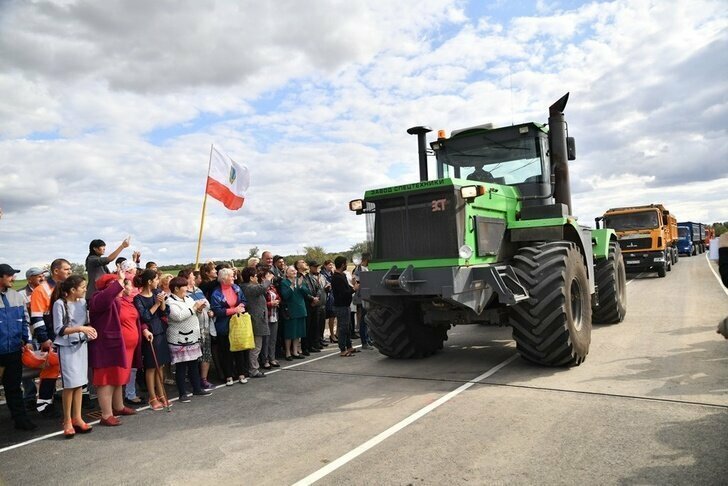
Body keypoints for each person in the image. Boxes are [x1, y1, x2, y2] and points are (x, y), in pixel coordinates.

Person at [89, 272, 138, 426]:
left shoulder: (116, 299)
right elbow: (105, 299)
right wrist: (119, 282)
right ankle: (106, 414)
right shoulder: (98, 298)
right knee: (105, 381)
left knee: (117, 378)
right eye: (117, 284)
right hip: (104, 346)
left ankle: (118, 406)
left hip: (114, 344)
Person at [51, 275, 97, 437]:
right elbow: (59, 329)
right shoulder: (59, 304)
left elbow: (86, 323)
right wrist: (81, 329)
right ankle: (67, 420)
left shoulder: (83, 303)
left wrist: (89, 329)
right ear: (72, 290)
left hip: (81, 346)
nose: (85, 289)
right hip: (67, 348)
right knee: (70, 385)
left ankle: (77, 418)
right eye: (82, 287)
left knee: (79, 384)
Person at [29, 258, 72, 415]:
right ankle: (44, 404)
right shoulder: (42, 290)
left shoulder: (65, 287)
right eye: (66, 269)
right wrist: (44, 339)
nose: (69, 272)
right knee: (51, 369)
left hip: (63, 334)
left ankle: (54, 398)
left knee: (61, 368)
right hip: (51, 336)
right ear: (56, 271)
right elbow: (37, 317)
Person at [0, 263, 37, 431]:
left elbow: (24, 320)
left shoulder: (17, 296)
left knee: (14, 388)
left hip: (14, 351)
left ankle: (21, 420)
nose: (13, 278)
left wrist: (27, 340)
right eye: (9, 275)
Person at [166, 277, 212, 401]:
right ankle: (182, 393)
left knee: (193, 364)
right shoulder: (169, 301)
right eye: (184, 286)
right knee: (181, 367)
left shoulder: (188, 298)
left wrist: (199, 309)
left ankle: (197, 389)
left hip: (193, 336)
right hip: (179, 338)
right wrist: (194, 308)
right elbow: (178, 316)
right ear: (176, 288)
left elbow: (194, 313)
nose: (187, 288)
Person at [133, 269, 171, 411]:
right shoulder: (138, 298)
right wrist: (156, 304)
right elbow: (145, 317)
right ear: (149, 281)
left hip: (160, 330)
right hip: (149, 333)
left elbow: (164, 313)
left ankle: (161, 394)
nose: (157, 282)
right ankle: (152, 397)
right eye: (156, 279)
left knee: (160, 365)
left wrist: (162, 303)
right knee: (150, 367)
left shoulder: (156, 293)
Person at [210, 268, 248, 386]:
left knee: (240, 350)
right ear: (224, 278)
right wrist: (233, 310)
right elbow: (217, 310)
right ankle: (229, 376)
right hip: (224, 326)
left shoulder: (237, 288)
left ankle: (241, 373)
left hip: (237, 325)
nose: (234, 278)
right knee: (226, 351)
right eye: (231, 276)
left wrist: (241, 305)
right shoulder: (216, 293)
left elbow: (244, 300)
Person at [182, 269, 215, 389]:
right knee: (195, 356)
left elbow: (208, 305)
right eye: (191, 276)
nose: (194, 278)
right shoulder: (184, 294)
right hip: (194, 328)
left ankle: (204, 379)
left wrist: (210, 311)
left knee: (206, 354)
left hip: (206, 327)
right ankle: (194, 379)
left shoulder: (199, 290)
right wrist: (198, 309)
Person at [240, 266, 273, 377]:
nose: (257, 278)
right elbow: (262, 288)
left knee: (256, 347)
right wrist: (267, 279)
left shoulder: (247, 286)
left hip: (257, 320)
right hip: (256, 320)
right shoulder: (247, 287)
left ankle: (253, 368)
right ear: (250, 278)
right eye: (255, 276)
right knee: (255, 347)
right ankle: (253, 370)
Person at [20, 267, 46, 408]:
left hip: (42, 334)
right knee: (29, 366)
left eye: (42, 275)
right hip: (31, 334)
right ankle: (30, 397)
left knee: (45, 365)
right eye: (38, 276)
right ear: (29, 278)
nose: (41, 278)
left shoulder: (46, 291)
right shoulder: (22, 294)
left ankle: (47, 395)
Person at [118, 278, 146, 406]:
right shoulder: (117, 302)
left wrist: (144, 329)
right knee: (122, 370)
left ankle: (130, 393)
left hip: (134, 341)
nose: (133, 289)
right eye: (130, 286)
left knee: (133, 368)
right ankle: (120, 399)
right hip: (123, 343)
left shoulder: (130, 301)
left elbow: (138, 319)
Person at [279, 265, 310, 360]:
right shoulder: (284, 282)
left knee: (298, 332)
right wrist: (292, 285)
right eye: (292, 271)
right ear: (287, 274)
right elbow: (285, 295)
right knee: (290, 333)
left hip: (300, 309)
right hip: (291, 310)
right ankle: (288, 352)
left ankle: (295, 351)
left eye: (295, 271)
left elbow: (306, 292)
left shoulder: (299, 280)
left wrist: (301, 286)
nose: (294, 272)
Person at [331, 256, 359, 356]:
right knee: (343, 328)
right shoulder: (337, 277)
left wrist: (353, 284)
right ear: (343, 264)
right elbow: (344, 292)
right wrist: (354, 289)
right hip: (341, 306)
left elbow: (346, 288)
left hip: (345, 305)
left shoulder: (341, 275)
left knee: (348, 327)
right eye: (346, 263)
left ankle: (349, 346)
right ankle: (342, 349)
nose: (347, 265)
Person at [301, 260, 325, 354]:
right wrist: (311, 299)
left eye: (317, 267)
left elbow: (318, 288)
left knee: (313, 326)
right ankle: (305, 347)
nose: (316, 268)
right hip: (308, 304)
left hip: (315, 303)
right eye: (314, 267)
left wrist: (316, 299)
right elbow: (303, 291)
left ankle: (312, 345)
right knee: (307, 327)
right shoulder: (303, 277)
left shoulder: (314, 277)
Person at [352, 253, 373, 349]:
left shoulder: (364, 268)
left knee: (367, 320)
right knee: (364, 320)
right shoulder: (360, 268)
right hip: (363, 297)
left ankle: (368, 339)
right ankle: (364, 341)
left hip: (366, 296)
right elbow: (356, 281)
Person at [262, 268, 281, 369]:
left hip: (274, 315)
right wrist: (270, 303)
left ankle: (272, 358)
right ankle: (265, 360)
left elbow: (278, 297)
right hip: (267, 316)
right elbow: (260, 303)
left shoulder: (272, 287)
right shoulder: (262, 288)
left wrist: (277, 301)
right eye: (268, 275)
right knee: (266, 339)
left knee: (273, 338)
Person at [321, 260, 337, 343]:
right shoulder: (322, 274)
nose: (331, 267)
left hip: (333, 297)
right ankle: (322, 336)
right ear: (325, 265)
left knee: (332, 317)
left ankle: (333, 335)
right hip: (326, 298)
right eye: (329, 265)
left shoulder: (333, 273)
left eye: (332, 265)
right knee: (324, 318)